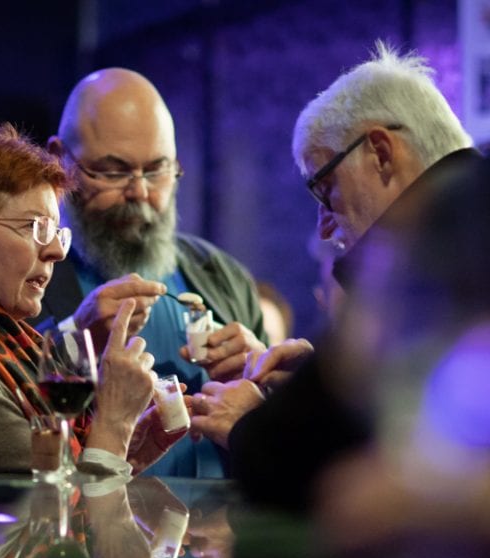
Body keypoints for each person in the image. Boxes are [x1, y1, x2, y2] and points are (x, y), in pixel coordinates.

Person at [190, 40, 482, 511]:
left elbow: (294, 462)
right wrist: (328, 379)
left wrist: (245, 425)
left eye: (326, 190)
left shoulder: (438, 244)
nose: (324, 226)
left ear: (381, 153)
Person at [0, 125, 186, 476]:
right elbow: (63, 505)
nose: (56, 251)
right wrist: (113, 424)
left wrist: (126, 454)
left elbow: (66, 478)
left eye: (56, 232)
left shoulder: (11, 343)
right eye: (34, 227)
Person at [37, 68, 268, 479]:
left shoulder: (222, 276)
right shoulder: (29, 272)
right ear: (59, 159)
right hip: (87, 518)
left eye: (157, 169)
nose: (140, 192)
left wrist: (258, 379)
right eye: (113, 171)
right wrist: (76, 339)